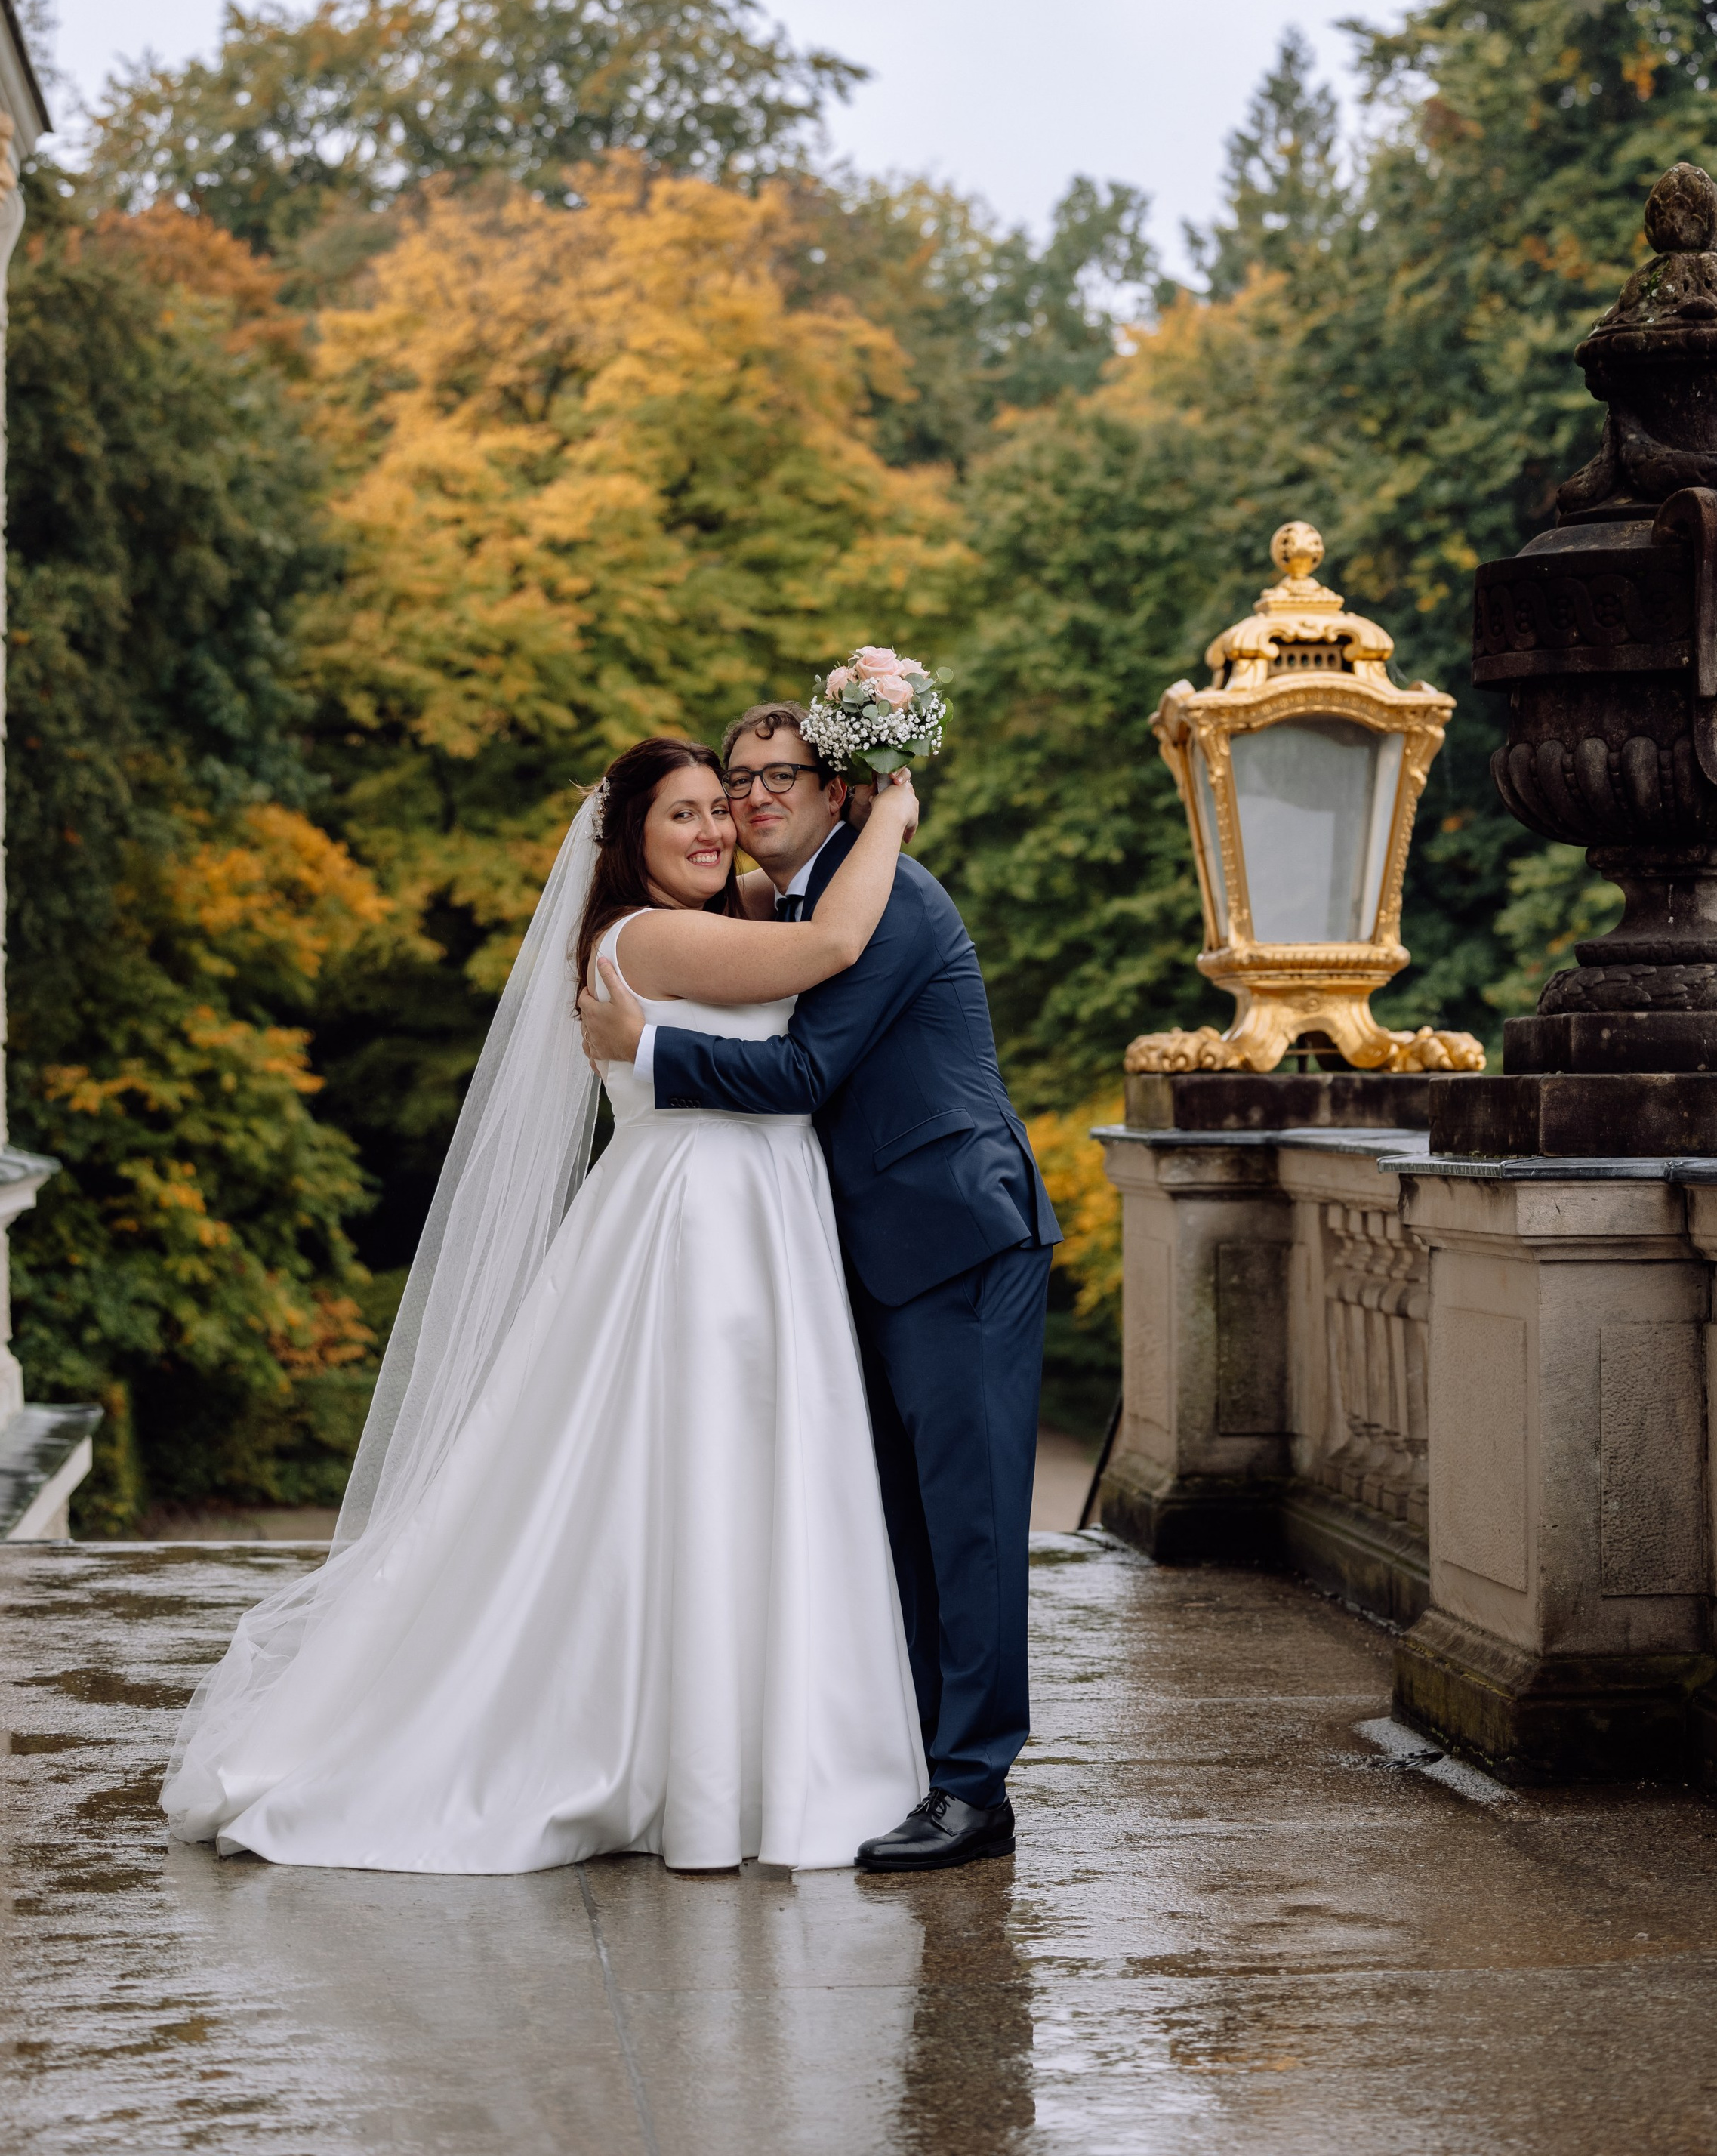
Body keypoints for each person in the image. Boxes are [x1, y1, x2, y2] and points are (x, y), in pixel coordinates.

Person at [162, 738, 929, 1876]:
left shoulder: (713, 913)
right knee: (697, 1479)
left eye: (723, 808)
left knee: (731, 1482)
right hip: (700, 1228)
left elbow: (798, 881)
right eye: (684, 816)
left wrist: (841, 784)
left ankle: (736, 1754)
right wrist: (897, 811)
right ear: (628, 842)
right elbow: (829, 940)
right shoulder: (649, 936)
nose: (717, 830)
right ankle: (692, 1767)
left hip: (751, 1215)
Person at [578, 702, 1059, 1874]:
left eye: (777, 775)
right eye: (735, 781)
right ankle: (916, 1758)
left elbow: (805, 1069)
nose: (751, 799)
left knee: (975, 1522)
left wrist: (644, 1051)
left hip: (956, 1235)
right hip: (860, 1250)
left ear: (836, 789)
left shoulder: (882, 887)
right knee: (898, 1524)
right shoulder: (786, 902)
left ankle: (974, 1789)